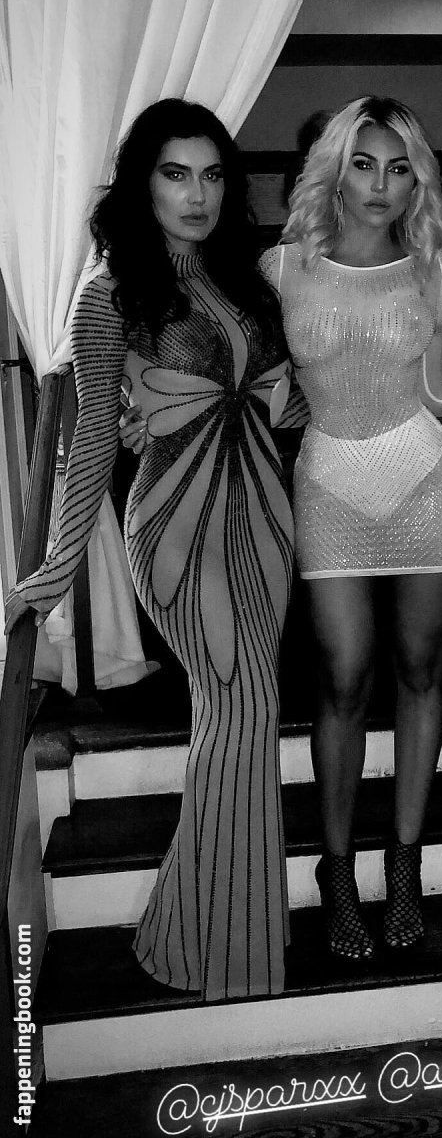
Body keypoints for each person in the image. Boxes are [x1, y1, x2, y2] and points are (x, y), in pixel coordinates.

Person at [4, 99, 296, 1000]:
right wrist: (53, 570)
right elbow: (94, 434)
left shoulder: (246, 281)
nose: (197, 195)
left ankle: (196, 933)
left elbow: (289, 402)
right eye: (176, 175)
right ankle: (218, 943)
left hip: (265, 517)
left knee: (240, 713)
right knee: (243, 702)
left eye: (212, 175)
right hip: (174, 521)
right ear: (144, 185)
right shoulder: (109, 294)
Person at [260, 96, 442, 960]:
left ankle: (405, 863)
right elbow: (254, 376)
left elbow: (441, 391)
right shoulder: (281, 266)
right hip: (330, 484)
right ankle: (337, 870)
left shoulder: (433, 269)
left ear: (416, 180)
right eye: (363, 163)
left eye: (399, 167)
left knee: (422, 670)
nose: (381, 184)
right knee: (344, 677)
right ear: (334, 169)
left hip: (425, 479)